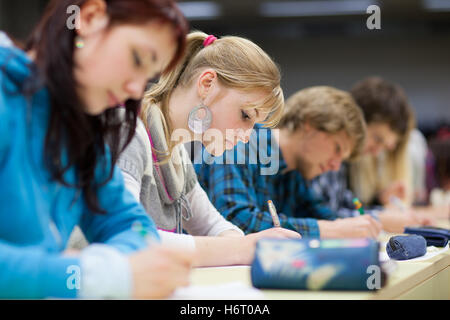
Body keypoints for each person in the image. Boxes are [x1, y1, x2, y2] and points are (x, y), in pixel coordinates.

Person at [0, 0, 194, 299]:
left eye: (149, 76)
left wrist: (114, 270)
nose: (136, 90)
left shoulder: (81, 132)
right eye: (138, 58)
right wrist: (87, 277)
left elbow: (134, 225)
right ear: (89, 18)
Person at [111, 31, 301, 267]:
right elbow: (127, 236)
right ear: (207, 84)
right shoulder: (125, 129)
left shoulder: (177, 152)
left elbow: (214, 226)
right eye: (245, 115)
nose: (245, 137)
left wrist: (238, 244)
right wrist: (243, 247)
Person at [195, 86, 384, 238]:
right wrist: (331, 230)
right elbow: (235, 221)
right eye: (337, 149)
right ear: (310, 124)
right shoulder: (239, 143)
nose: (335, 166)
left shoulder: (295, 171)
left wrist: (349, 227)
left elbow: (323, 217)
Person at [310, 77, 433, 233]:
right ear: (356, 121)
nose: (376, 152)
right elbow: (323, 215)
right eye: (377, 139)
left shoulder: (343, 162)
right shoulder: (328, 154)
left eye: (384, 146)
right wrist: (380, 218)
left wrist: (380, 202)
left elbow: (347, 206)